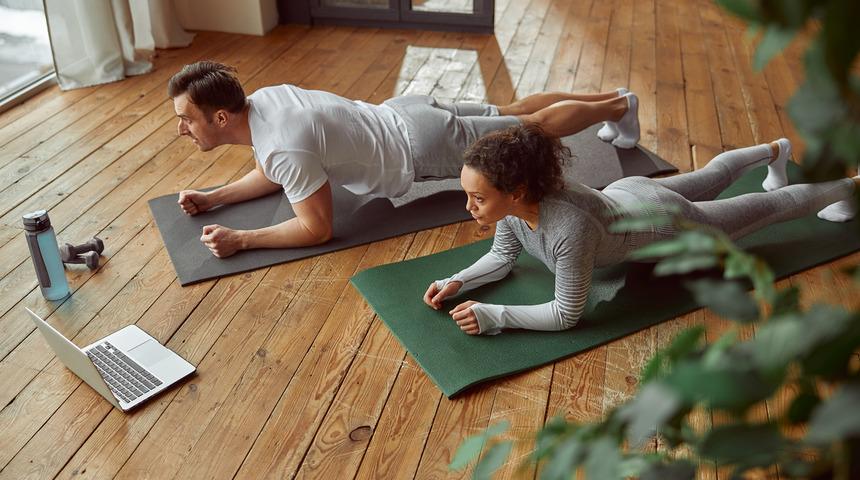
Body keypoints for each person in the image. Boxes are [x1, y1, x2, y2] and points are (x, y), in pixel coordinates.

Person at [167, 61, 641, 257]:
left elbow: (317, 229)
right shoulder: (265, 102)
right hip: (407, 113)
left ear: (223, 116)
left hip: (421, 146)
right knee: (517, 111)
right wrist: (215, 199)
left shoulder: (283, 145)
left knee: (530, 129)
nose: (181, 129)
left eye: (187, 119)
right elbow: (276, 170)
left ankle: (619, 106)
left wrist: (242, 239)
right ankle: (615, 99)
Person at [423, 124, 858, 335]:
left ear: (516, 191)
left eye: (477, 198)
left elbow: (565, 314)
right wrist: (456, 282)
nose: (469, 208)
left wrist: (495, 316)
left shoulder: (569, 229)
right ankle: (774, 150)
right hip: (629, 192)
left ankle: (850, 186)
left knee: (767, 207)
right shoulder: (519, 207)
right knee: (709, 175)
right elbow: (502, 258)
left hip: (671, 224)